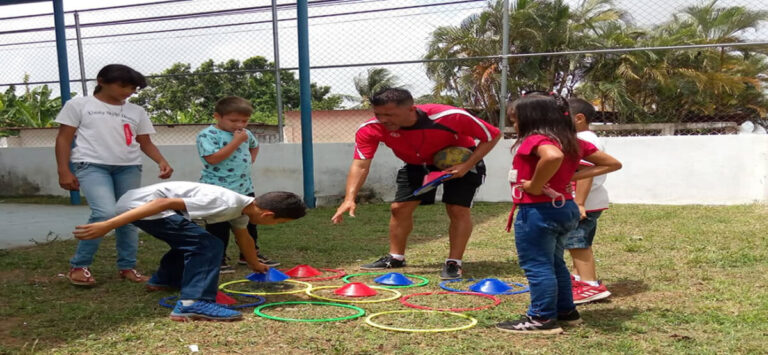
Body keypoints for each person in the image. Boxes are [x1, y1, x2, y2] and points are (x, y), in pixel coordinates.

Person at [72, 181, 307, 322]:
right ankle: (193, 303)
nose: (278, 226)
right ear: (268, 215)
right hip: (143, 206)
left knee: (193, 241)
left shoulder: (242, 209)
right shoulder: (225, 202)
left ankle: (164, 280)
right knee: (208, 244)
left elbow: (242, 236)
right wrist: (108, 225)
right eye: (281, 223)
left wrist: (255, 263)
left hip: (139, 203)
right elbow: (160, 204)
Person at [331, 88, 501, 279]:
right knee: (399, 208)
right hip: (416, 164)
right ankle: (396, 257)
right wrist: (349, 198)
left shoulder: (449, 116)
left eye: (390, 114)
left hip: (460, 161)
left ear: (411, 109)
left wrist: (466, 165)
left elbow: (492, 135)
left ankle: (454, 262)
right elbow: (361, 164)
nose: (383, 119)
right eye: (378, 114)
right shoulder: (370, 129)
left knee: (457, 209)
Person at [495, 92, 621, 334]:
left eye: (516, 120)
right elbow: (612, 164)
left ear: (533, 118)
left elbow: (553, 157)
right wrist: (572, 176)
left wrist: (533, 184)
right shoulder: (573, 141)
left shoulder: (537, 139)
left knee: (537, 265)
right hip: (565, 209)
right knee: (554, 263)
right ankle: (566, 311)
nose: (515, 125)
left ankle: (541, 318)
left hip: (537, 211)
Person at [55, 64, 173, 287]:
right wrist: (64, 169)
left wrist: (161, 160)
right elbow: (63, 138)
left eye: (133, 88)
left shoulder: (135, 111)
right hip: (91, 165)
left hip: (128, 167)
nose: (129, 91)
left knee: (128, 217)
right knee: (105, 212)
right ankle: (79, 266)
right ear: (101, 81)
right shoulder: (79, 105)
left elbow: (144, 141)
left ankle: (127, 267)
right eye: (123, 86)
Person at [196, 96, 278, 274]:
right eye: (234, 120)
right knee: (218, 225)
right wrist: (235, 142)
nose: (239, 124)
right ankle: (218, 257)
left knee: (249, 223)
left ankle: (249, 254)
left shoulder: (245, 134)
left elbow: (254, 146)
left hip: (244, 188)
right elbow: (212, 159)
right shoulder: (207, 135)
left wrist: (251, 158)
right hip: (217, 190)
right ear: (217, 116)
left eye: (245, 120)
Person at [565, 98, 612, 304]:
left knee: (577, 242)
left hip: (584, 201)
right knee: (578, 243)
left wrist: (579, 202)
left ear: (579, 118)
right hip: (590, 201)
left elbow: (585, 172)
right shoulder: (585, 137)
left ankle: (590, 286)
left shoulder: (584, 139)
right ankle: (578, 280)